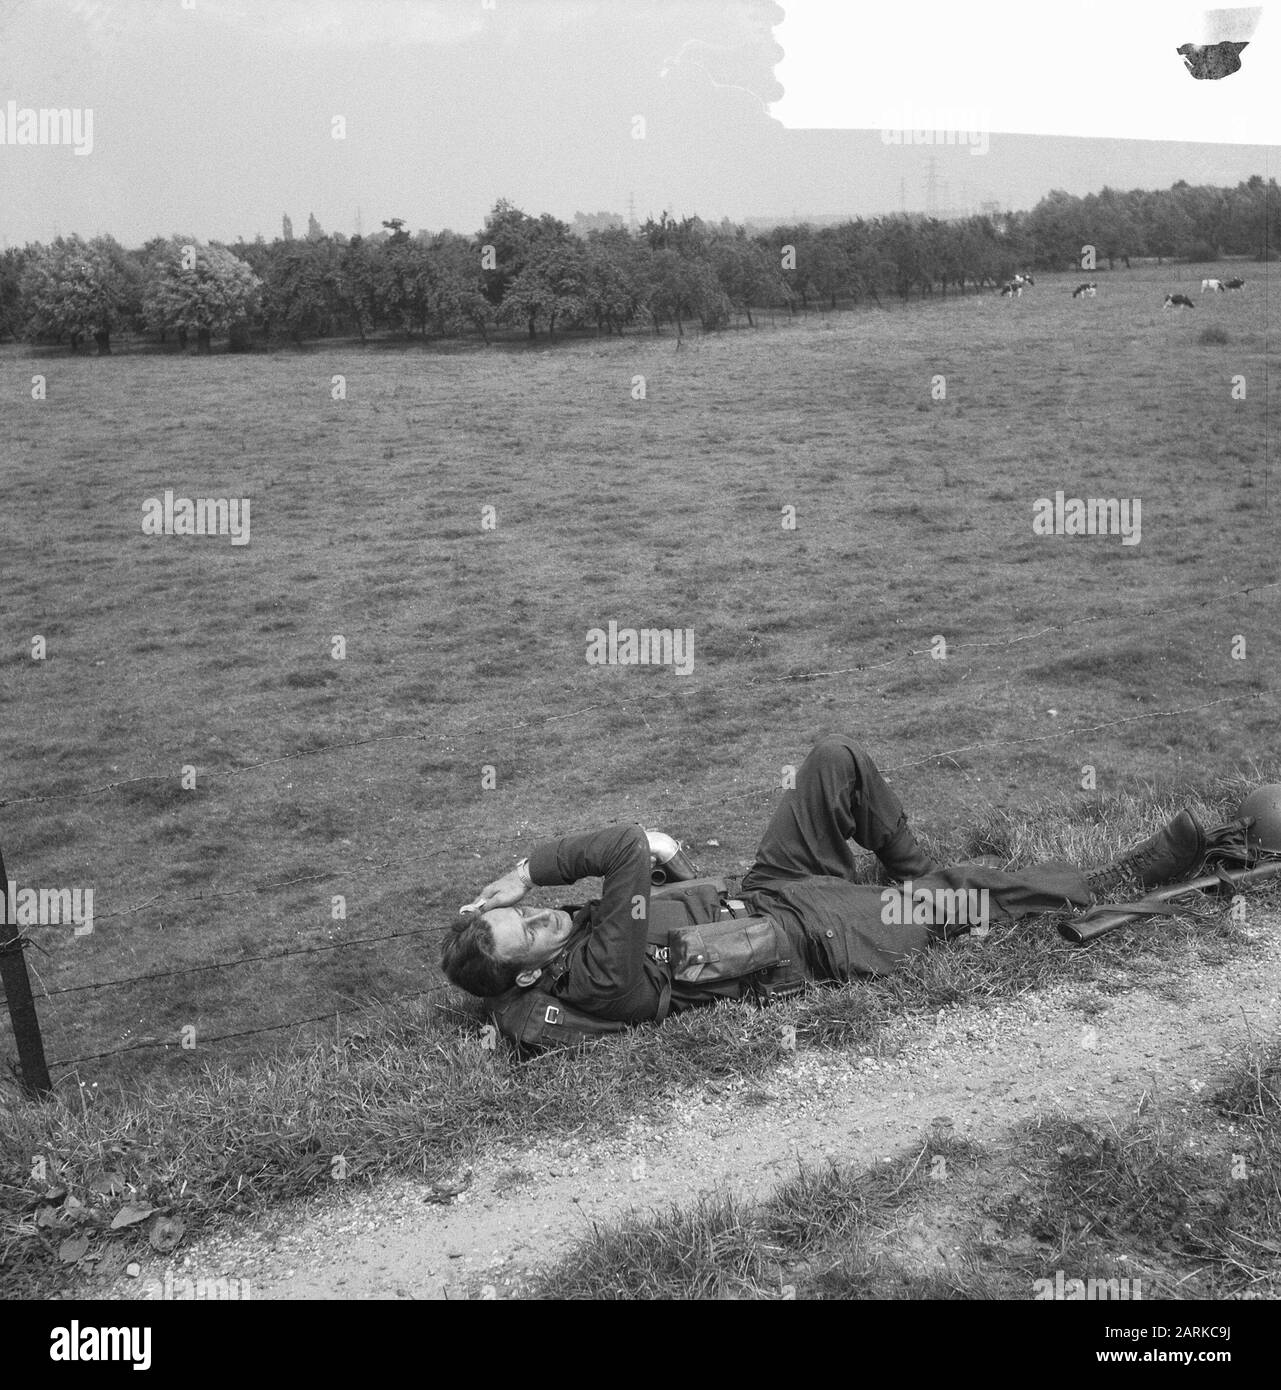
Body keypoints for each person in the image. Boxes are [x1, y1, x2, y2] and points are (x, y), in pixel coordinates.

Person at [439, 734, 1205, 1023]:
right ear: (532, 970)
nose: (541, 916)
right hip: (809, 938)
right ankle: (1112, 879)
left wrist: (676, 866)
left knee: (833, 762)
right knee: (962, 893)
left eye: (529, 908)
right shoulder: (596, 980)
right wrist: (523, 871)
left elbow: (660, 865)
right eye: (529, 928)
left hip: (768, 885)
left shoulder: (577, 930)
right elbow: (626, 850)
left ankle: (911, 875)